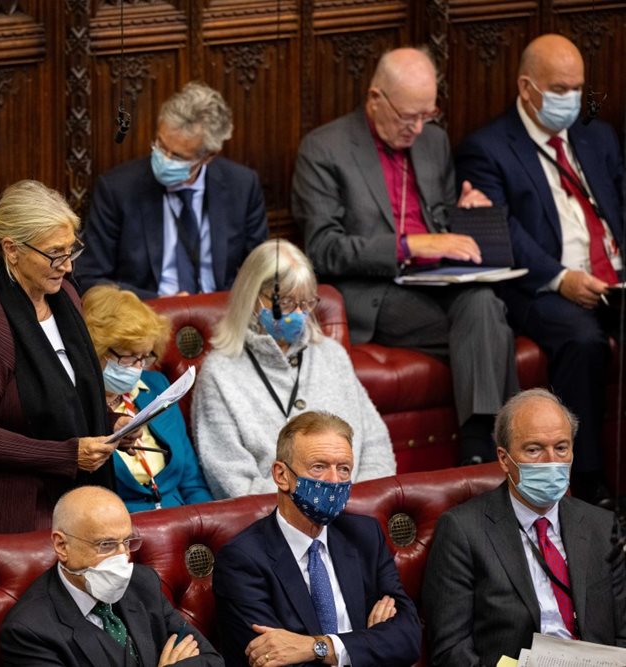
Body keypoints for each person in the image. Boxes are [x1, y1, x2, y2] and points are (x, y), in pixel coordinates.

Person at [294, 46, 519, 465]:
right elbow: (323, 248)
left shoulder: (433, 141)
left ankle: (479, 449)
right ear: (375, 99)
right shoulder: (325, 149)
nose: (417, 127)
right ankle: (491, 453)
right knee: (491, 329)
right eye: (406, 117)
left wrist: (465, 215)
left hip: (439, 281)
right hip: (376, 292)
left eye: (426, 114)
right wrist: (407, 245)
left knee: (485, 305)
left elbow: (441, 225)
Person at [455, 34, 623, 507]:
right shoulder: (487, 148)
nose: (572, 99)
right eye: (560, 89)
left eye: (578, 88)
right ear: (527, 88)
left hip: (612, 279)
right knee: (582, 341)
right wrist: (561, 278)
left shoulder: (598, 136)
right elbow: (502, 233)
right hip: (544, 287)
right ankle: (586, 485)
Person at [0, 180, 135, 538]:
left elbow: (59, 401)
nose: (67, 266)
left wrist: (108, 426)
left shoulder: (64, 298)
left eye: (70, 251)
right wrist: (67, 455)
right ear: (12, 250)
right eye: (54, 254)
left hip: (74, 502)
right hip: (14, 517)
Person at [422, 389, 626, 666]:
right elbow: (451, 650)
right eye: (534, 449)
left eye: (561, 448)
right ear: (505, 459)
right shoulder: (463, 530)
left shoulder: (601, 525)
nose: (551, 461)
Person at [213, 411, 421, 667]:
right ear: (281, 475)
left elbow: (408, 638)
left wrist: (316, 647)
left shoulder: (365, 536)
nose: (334, 481)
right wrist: (369, 641)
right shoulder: (243, 559)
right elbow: (271, 658)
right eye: (319, 467)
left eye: (343, 469)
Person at [192, 240, 395, 499]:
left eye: (307, 303)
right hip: (272, 524)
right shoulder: (219, 372)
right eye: (287, 303)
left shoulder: (332, 355)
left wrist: (360, 503)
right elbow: (230, 478)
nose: (299, 314)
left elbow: (376, 445)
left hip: (355, 512)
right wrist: (306, 506)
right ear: (253, 298)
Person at [76, 81, 268, 299]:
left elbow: (261, 270)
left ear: (208, 156)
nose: (163, 159)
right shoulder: (117, 190)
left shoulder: (242, 185)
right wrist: (162, 303)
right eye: (160, 144)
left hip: (222, 314)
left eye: (177, 156)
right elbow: (90, 278)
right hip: (147, 316)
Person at [0, 485, 223, 666]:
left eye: (126, 542)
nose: (122, 558)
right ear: (62, 545)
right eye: (106, 545)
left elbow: (210, 660)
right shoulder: (29, 630)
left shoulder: (142, 583)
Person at [82, 284, 214, 511]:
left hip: (182, 522)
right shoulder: (76, 404)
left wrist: (209, 526)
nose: (137, 368)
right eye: (129, 357)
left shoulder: (157, 385)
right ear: (96, 349)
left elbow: (192, 482)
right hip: (120, 527)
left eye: (144, 357)